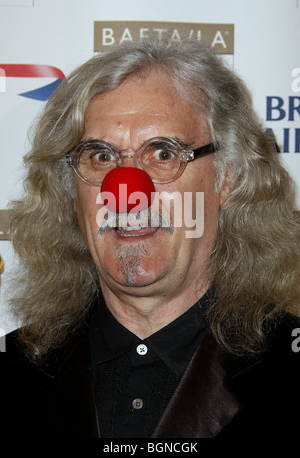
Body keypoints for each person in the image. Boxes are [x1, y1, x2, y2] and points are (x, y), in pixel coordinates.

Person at [1, 39, 300, 439]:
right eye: (101, 156)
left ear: (227, 178)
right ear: (71, 191)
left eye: (163, 153)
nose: (126, 193)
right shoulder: (13, 373)